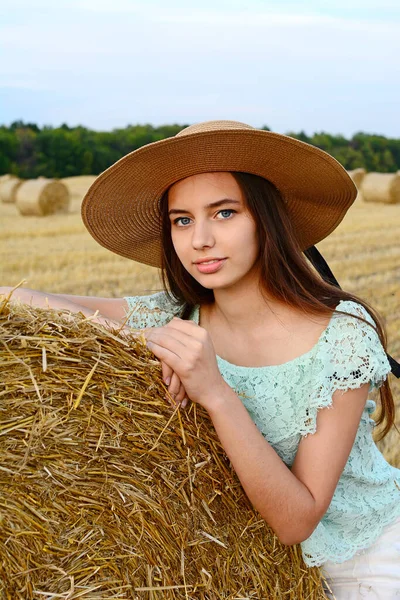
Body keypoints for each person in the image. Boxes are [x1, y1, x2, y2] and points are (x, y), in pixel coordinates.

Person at [2, 120, 399, 599]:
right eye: (182, 220)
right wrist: (142, 338)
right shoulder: (177, 315)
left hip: (362, 559)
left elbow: (298, 519)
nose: (200, 240)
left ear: (266, 219)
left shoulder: (340, 333)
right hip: (251, 568)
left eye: (225, 213)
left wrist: (214, 391)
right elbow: (22, 299)